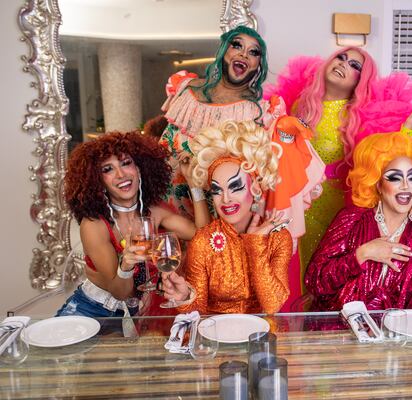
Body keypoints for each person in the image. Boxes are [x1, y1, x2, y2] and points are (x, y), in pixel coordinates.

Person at [265, 47, 412, 281]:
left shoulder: (360, 115)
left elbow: (388, 154)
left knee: (326, 271)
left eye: (354, 65)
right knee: (290, 271)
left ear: (359, 81)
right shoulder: (299, 105)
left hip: (337, 206)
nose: (344, 64)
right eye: (341, 58)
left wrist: (409, 126)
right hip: (297, 202)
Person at [304, 132, 412, 312]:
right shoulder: (351, 219)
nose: (405, 185)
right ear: (377, 183)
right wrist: (362, 254)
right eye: (394, 177)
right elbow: (315, 282)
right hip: (341, 334)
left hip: (396, 337)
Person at [56, 132, 207, 320]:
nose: (121, 175)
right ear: (97, 180)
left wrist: (194, 184)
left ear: (139, 168)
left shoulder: (155, 211)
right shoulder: (94, 225)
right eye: (108, 169)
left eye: (126, 163)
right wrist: (126, 264)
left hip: (138, 312)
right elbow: (120, 293)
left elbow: (203, 236)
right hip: (92, 311)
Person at [161, 120, 292, 314]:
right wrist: (185, 297)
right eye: (217, 190)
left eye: (235, 186)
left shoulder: (278, 237)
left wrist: (256, 244)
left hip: (261, 337)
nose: (226, 199)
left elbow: (272, 305)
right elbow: (197, 310)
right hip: (216, 338)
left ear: (255, 186)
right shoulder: (203, 242)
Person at [160, 26, 285, 221]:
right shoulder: (185, 90)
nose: (244, 54)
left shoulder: (259, 112)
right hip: (166, 208)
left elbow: (256, 179)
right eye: (237, 45)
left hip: (216, 219)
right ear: (223, 50)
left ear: (258, 64)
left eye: (254, 52)